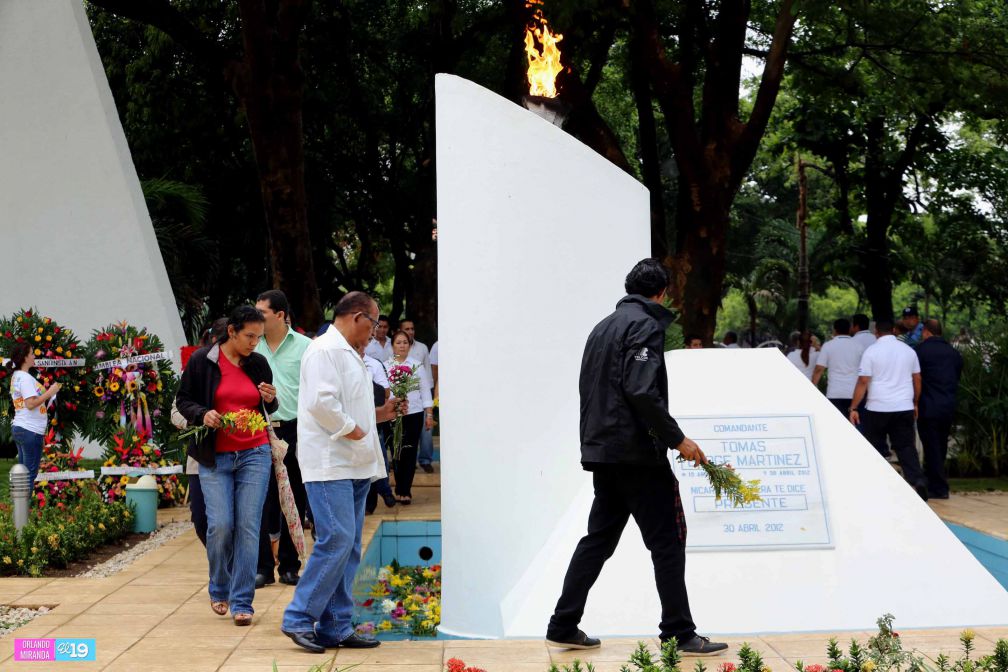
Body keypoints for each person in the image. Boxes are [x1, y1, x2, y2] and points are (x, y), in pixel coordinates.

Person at [546, 258, 727, 655]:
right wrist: (677, 439)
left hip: (604, 452)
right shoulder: (645, 325)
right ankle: (679, 632)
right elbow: (641, 390)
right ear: (661, 293)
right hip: (636, 455)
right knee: (668, 539)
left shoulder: (602, 328)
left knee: (598, 540)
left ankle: (563, 623)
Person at [281, 292, 400, 653]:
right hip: (331, 462)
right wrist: (352, 428)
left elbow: (349, 405)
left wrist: (379, 416)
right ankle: (299, 618)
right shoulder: (325, 350)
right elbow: (321, 402)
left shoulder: (351, 354)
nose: (375, 331)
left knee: (347, 547)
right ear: (358, 317)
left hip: (357, 462)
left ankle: (335, 626)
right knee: (335, 540)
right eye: (374, 323)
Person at [175, 305, 278, 626]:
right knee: (220, 525)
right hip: (215, 456)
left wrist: (271, 398)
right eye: (250, 336)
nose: (254, 344)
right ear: (231, 331)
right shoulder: (201, 361)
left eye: (259, 338)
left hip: (254, 453)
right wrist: (202, 414)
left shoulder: (258, 364)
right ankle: (219, 585)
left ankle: (242, 600)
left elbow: (269, 408)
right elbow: (183, 400)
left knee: (249, 527)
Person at [254, 290, 312, 588]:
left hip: (295, 429)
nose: (256, 317)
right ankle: (262, 566)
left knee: (295, 497)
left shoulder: (306, 347)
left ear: (279, 315)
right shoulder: (251, 346)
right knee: (260, 499)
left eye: (262, 313)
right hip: (259, 429)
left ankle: (289, 566)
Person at [849, 317, 928, 500]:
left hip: (877, 407)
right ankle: (917, 480)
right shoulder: (908, 351)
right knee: (906, 447)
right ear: (893, 330)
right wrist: (915, 402)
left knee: (875, 447)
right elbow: (917, 378)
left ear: (876, 332)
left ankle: (877, 483)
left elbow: (863, 381)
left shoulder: (871, 352)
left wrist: (853, 407)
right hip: (903, 406)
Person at [172, 317, 229, 547]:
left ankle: (233, 566)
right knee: (202, 518)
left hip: (237, 454)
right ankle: (221, 561)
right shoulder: (197, 366)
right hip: (201, 455)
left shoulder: (249, 365)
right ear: (214, 340)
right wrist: (198, 419)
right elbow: (176, 410)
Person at [916, 319, 963, 499]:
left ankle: (939, 487)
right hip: (948, 404)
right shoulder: (953, 353)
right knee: (940, 445)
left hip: (928, 404)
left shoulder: (920, 351)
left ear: (926, 331)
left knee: (931, 445)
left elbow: (916, 377)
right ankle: (933, 481)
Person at [386, 330, 434, 505]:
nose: (402, 346)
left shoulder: (417, 366)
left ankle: (405, 490)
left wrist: (429, 414)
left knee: (410, 451)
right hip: (392, 415)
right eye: (398, 342)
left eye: (405, 342)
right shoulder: (386, 366)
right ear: (393, 346)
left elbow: (424, 392)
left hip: (414, 414)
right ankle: (399, 485)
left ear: (410, 345)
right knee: (396, 451)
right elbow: (384, 393)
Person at [6, 342, 60, 490]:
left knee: (23, 475)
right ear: (24, 357)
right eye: (31, 353)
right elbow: (30, 404)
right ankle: (23, 511)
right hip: (30, 430)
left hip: (24, 428)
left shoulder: (17, 376)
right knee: (29, 476)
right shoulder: (24, 378)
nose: (34, 356)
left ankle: (19, 509)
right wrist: (50, 392)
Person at [363, 348, 397, 512]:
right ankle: (372, 501)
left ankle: (385, 491)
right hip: (351, 422)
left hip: (374, 417)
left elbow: (385, 391)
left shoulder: (374, 364)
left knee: (378, 455)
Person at [400, 319, 435, 473]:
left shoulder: (422, 348)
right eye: (407, 328)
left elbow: (428, 374)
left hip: (422, 396)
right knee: (406, 433)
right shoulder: (393, 348)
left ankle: (426, 460)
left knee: (426, 431)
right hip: (402, 400)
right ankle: (408, 461)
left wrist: (429, 400)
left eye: (412, 328)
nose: (410, 331)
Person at [812, 319, 866, 417]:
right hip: (854, 394)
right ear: (849, 329)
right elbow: (864, 371)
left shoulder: (828, 346)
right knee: (853, 427)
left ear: (834, 330)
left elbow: (819, 370)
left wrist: (812, 387)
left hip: (834, 392)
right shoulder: (859, 346)